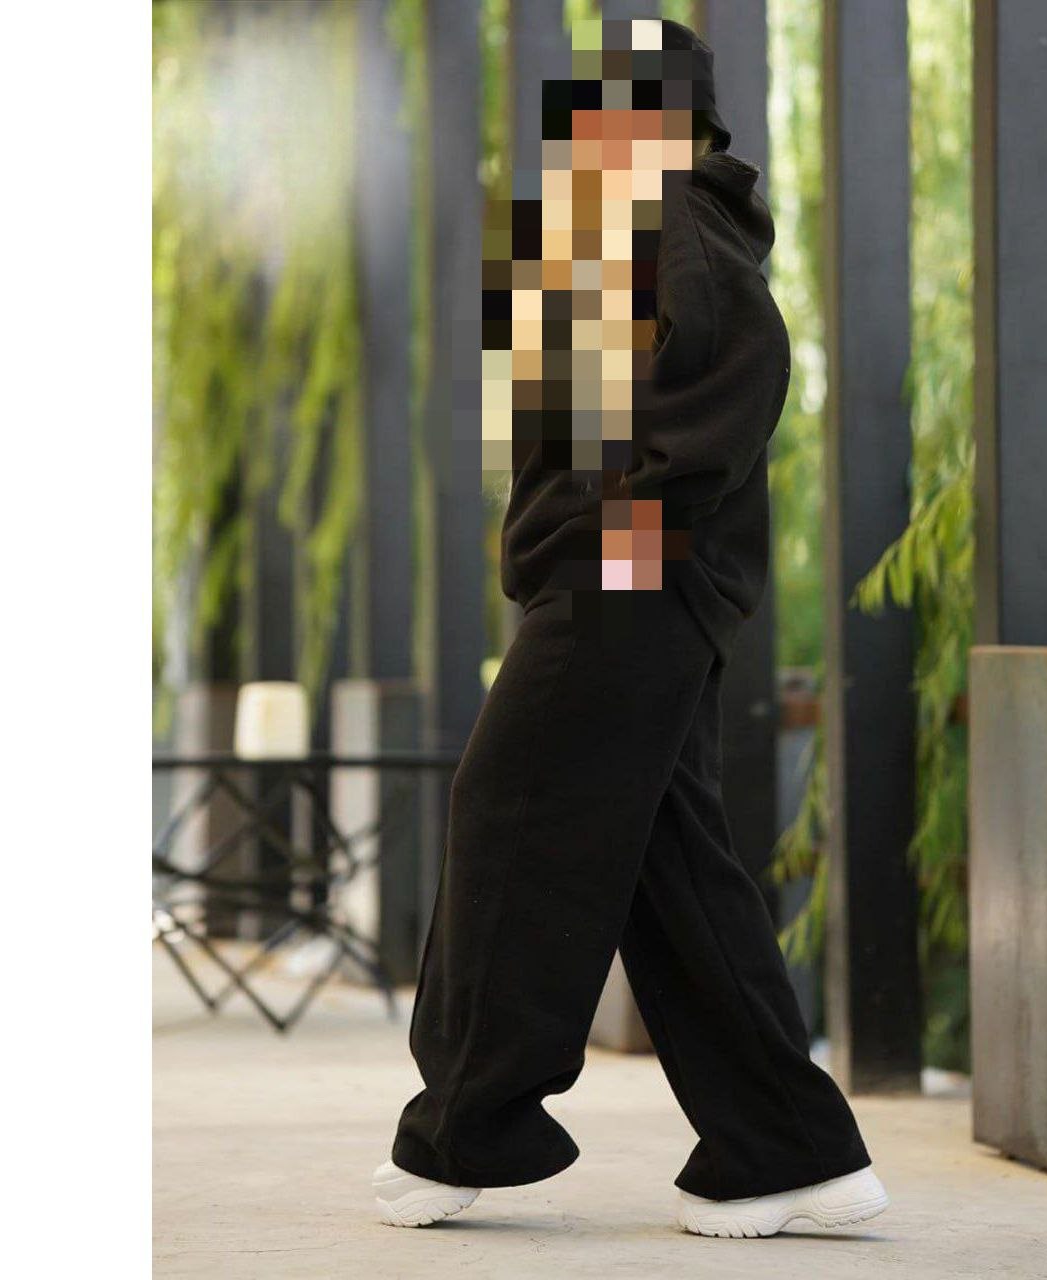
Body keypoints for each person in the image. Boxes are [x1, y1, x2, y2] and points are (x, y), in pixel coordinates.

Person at [373, 18, 888, 1239]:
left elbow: (739, 380)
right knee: (671, 871)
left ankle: (464, 1126)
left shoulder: (674, 216)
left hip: (628, 576)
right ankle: (791, 1150)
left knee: (509, 814)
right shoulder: (616, 225)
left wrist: (609, 542)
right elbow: (567, 415)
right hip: (625, 574)